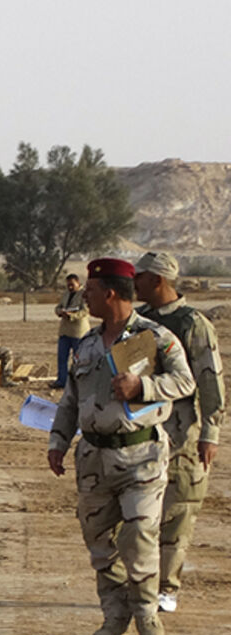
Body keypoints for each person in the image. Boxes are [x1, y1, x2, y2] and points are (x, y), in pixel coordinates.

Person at [47, 258, 193, 635]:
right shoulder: (87, 344)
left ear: (110, 293)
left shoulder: (156, 338)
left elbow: (184, 381)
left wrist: (142, 388)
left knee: (140, 535)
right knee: (98, 543)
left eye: (91, 292)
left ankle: (147, 613)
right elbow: (70, 399)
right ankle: (114, 615)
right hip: (94, 459)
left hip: (141, 455)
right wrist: (58, 440)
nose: (86, 298)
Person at [134, 251, 225, 614]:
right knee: (143, 512)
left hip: (182, 431)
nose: (134, 283)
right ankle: (142, 582)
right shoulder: (141, 321)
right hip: (143, 428)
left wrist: (210, 434)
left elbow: (211, 382)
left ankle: (166, 587)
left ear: (158, 280)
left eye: (140, 277)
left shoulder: (193, 324)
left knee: (179, 508)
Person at [53, 274, 90, 389]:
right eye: (68, 284)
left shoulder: (84, 294)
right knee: (62, 358)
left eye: (72, 284)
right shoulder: (65, 294)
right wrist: (60, 312)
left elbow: (85, 311)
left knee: (78, 360)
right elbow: (58, 307)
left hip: (78, 332)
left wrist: (72, 316)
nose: (70, 287)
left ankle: (77, 384)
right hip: (64, 332)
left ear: (78, 283)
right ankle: (61, 382)